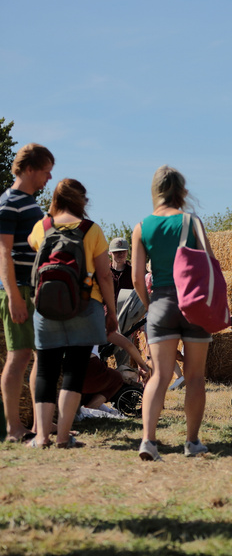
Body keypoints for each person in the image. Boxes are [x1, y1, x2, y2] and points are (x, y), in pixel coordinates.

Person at [28, 179, 118, 448]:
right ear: (82, 200)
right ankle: (64, 437)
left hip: (47, 307)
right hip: (84, 304)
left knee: (45, 370)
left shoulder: (41, 227)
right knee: (74, 371)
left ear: (55, 198)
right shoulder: (91, 230)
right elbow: (104, 274)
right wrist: (111, 311)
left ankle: (42, 437)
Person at [132, 165, 214, 461]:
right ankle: (192, 442)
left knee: (160, 375)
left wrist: (151, 302)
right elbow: (209, 263)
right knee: (194, 376)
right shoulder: (192, 222)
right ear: (181, 191)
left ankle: (148, 441)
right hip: (193, 304)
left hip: (161, 303)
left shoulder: (142, 226)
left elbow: (137, 278)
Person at [0, 143, 54, 442]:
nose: (49, 178)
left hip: (34, 289)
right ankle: (13, 428)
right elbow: (3, 252)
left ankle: (39, 425)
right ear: (30, 169)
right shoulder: (9, 202)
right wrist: (13, 296)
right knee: (18, 357)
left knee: (39, 356)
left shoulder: (28, 202)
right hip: (19, 288)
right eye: (46, 172)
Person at [108, 237, 133, 304]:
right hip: (106, 312)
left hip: (128, 312)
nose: (121, 254)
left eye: (123, 251)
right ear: (110, 252)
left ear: (127, 252)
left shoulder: (133, 273)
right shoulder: (104, 272)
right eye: (117, 251)